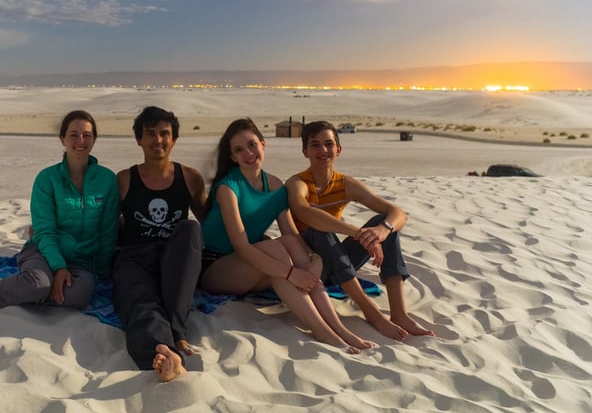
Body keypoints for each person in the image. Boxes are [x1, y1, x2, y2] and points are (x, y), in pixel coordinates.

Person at [198, 118, 375, 353]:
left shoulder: (275, 187)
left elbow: (291, 234)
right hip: (215, 268)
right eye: (239, 150)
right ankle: (320, 329)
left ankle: (337, 327)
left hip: (253, 268)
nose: (248, 154)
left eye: (252, 145)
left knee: (287, 244)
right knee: (275, 250)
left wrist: (315, 260)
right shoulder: (228, 188)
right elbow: (242, 247)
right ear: (232, 157)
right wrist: (291, 273)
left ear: (263, 144)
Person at [286, 120, 435, 341]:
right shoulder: (298, 183)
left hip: (337, 265)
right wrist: (356, 232)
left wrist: (381, 232)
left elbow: (397, 213)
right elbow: (304, 212)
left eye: (328, 144)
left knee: (384, 222)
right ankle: (371, 312)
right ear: (305, 151)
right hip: (308, 266)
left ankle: (399, 312)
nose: (323, 150)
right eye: (315, 145)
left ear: (338, 149)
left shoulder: (346, 184)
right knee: (320, 231)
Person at [0, 110, 120, 310]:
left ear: (94, 139)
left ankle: (34, 292)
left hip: (81, 261)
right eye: (74, 134)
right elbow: (44, 231)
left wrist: (102, 272)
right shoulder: (47, 179)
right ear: (62, 139)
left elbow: (107, 231)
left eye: (87, 135)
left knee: (80, 294)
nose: (81, 140)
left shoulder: (107, 180)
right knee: (39, 283)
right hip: (43, 251)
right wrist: (59, 267)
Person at [112, 106, 208, 382]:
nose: (158, 140)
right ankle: (162, 355)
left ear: (174, 139)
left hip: (174, 257)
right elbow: (104, 223)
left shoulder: (190, 178)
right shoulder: (125, 179)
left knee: (190, 228)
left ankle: (177, 332)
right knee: (142, 302)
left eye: (164, 133)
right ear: (139, 140)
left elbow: (208, 223)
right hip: (135, 257)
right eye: (150, 134)